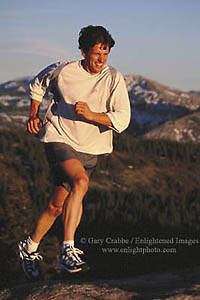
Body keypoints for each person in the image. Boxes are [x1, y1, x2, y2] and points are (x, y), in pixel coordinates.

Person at [18, 25, 131, 279]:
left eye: (106, 54)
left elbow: (123, 118)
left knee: (57, 206)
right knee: (81, 182)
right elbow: (37, 86)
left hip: (91, 147)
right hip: (58, 136)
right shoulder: (63, 70)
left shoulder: (114, 78)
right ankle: (67, 251)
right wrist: (33, 114)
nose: (102, 60)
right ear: (83, 51)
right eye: (96, 54)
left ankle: (29, 247)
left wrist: (92, 115)